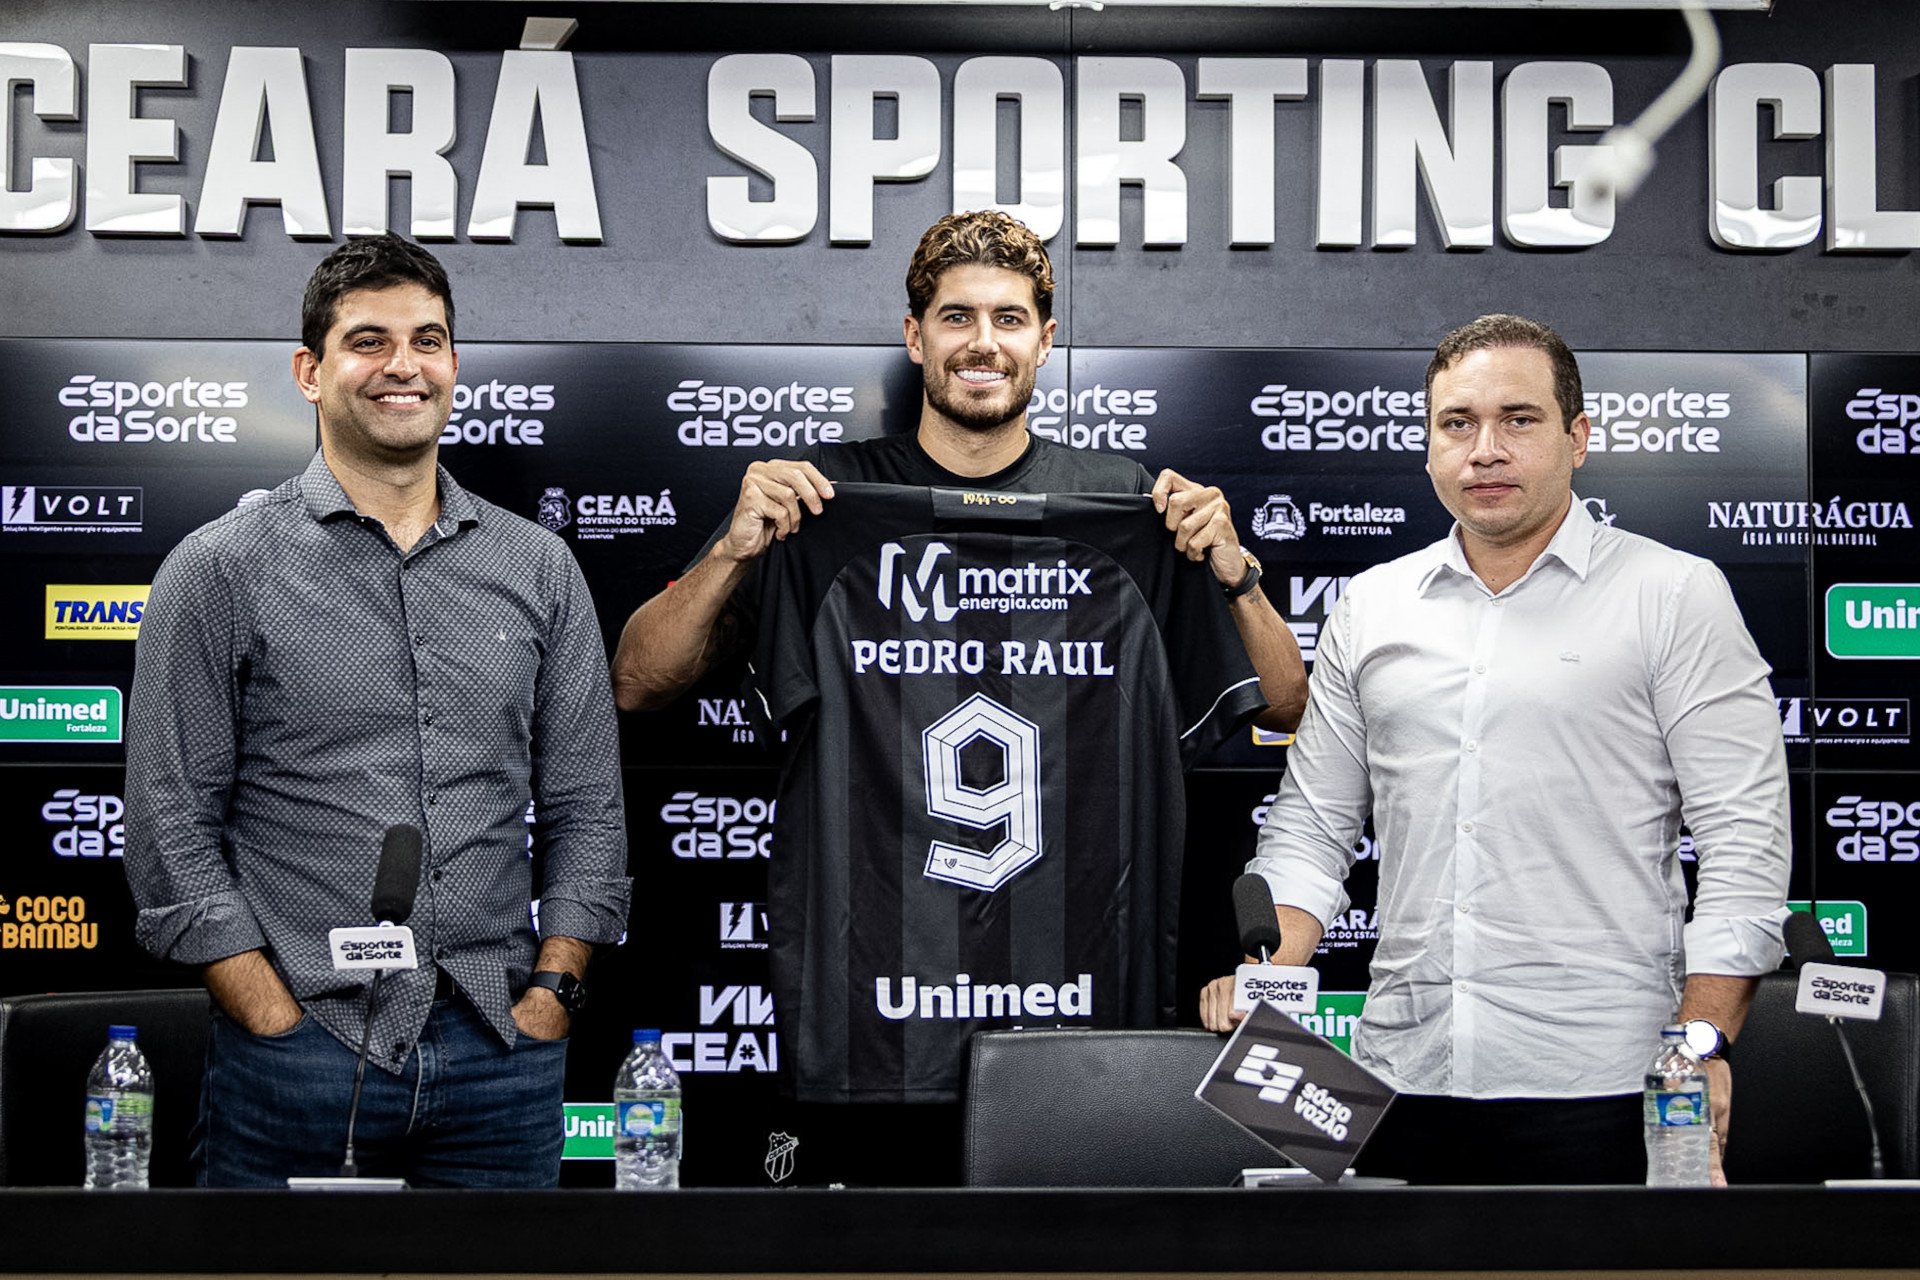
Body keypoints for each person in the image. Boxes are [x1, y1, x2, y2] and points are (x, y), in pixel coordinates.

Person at [1201, 314, 1790, 1187]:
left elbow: (1745, 845)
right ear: (1430, 446)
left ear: (1577, 438)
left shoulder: (1672, 595)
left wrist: (1700, 1043)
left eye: (1518, 419)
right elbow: (1311, 828)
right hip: (1399, 1079)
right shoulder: (1373, 606)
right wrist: (1271, 971)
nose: (1484, 449)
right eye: (1458, 423)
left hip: (1608, 1083)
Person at [124, 233, 630, 1188]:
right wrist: (265, 1009)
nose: (404, 365)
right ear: (311, 372)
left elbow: (589, 807)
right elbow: (168, 822)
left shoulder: (539, 568)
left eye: (428, 340)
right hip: (299, 1046)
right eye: (369, 341)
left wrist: (553, 994)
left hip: (501, 1051)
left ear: (453, 366)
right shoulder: (219, 568)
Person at [611, 209, 1307, 730]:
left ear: (1044, 342)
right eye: (956, 318)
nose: (982, 343)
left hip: (1076, 905)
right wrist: (734, 554)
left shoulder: (1122, 496)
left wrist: (1236, 576)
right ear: (916, 337)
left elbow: (1283, 710)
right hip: (870, 908)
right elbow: (637, 683)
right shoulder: (820, 496)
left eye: (1008, 319)